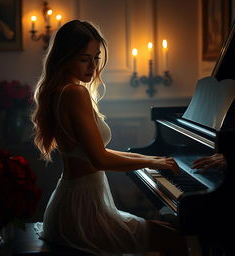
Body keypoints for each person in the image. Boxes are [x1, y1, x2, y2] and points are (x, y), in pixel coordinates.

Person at [31, 20, 188, 256]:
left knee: (166, 231)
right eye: (84, 59)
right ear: (64, 58)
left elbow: (95, 154)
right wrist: (150, 162)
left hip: (73, 204)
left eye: (96, 58)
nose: (92, 67)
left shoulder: (61, 91)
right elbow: (100, 160)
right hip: (84, 213)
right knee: (175, 241)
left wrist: (148, 158)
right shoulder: (75, 93)